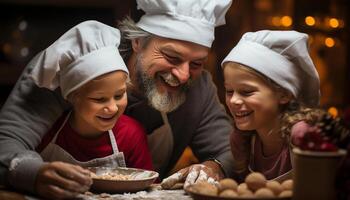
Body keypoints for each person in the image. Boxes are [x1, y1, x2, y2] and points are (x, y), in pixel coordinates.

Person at [0, 0, 234, 194]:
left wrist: (216, 167)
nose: (183, 76)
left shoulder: (200, 88)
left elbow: (231, 151)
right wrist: (35, 174)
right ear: (138, 42)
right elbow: (7, 141)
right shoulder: (75, 64)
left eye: (196, 63)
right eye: (171, 57)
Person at [2, 21, 153, 199]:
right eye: (99, 98)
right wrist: (35, 173)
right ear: (71, 97)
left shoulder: (132, 133)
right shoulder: (49, 130)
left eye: (119, 95)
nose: (112, 107)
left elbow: (148, 185)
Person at [221, 30, 322, 181]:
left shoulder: (301, 135)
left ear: (284, 94)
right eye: (229, 91)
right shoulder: (242, 140)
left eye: (247, 92)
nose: (234, 100)